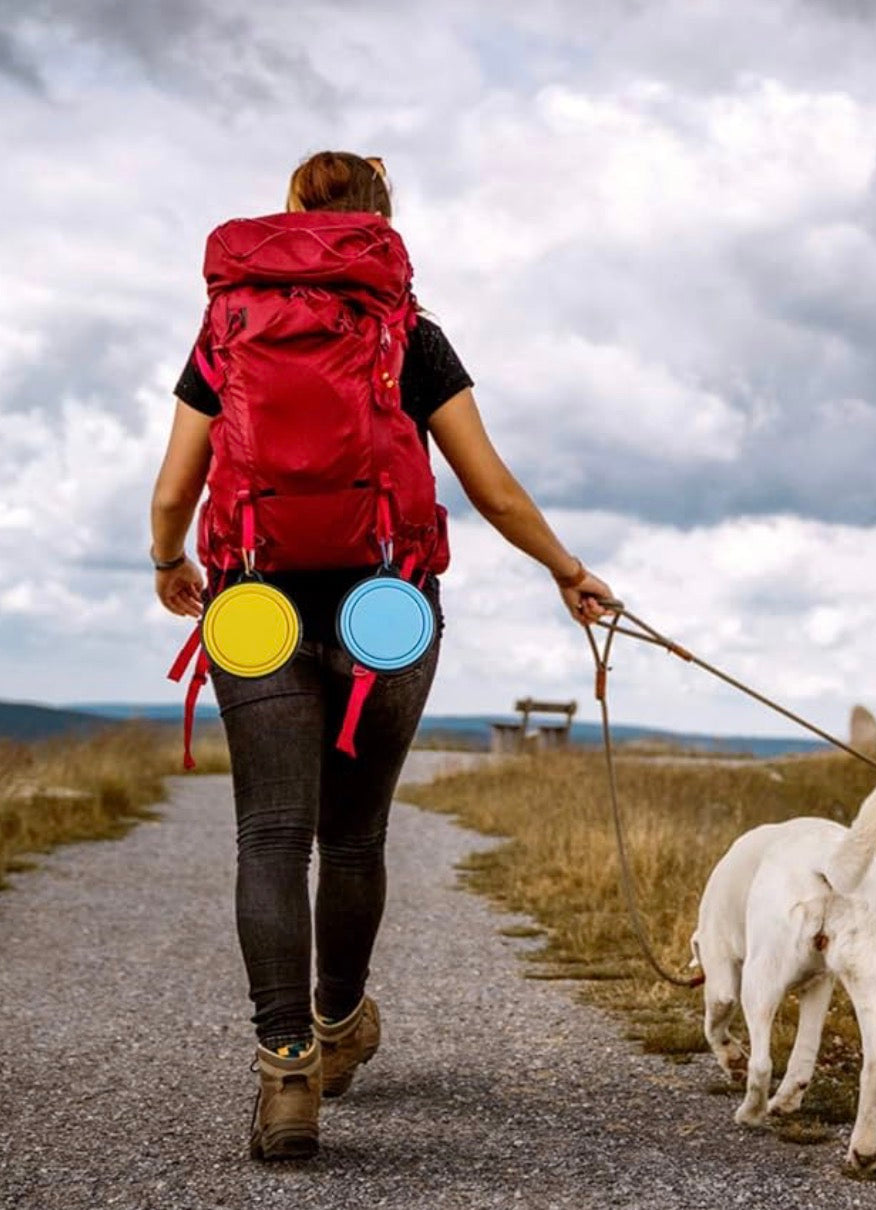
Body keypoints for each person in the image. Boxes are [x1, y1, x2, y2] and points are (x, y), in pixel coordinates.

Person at [149, 150, 613, 1161]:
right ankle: (338, 1020)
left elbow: (176, 485)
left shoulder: (228, 326)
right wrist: (565, 569)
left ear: (290, 216)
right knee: (352, 838)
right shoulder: (406, 331)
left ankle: (285, 1074)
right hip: (385, 610)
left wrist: (166, 559)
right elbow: (487, 485)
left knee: (271, 836)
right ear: (380, 223)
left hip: (254, 605)